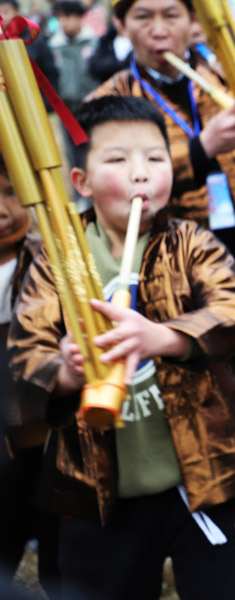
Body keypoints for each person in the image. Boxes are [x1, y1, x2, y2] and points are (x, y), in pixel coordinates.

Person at [8, 95, 235, 600]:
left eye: (155, 159)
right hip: (97, 490)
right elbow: (26, 350)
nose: (140, 174)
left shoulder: (191, 242)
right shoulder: (56, 259)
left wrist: (163, 336)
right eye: (117, 160)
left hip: (208, 477)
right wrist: (66, 370)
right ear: (81, 183)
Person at [90, 0, 235, 591]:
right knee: (207, 405)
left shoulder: (226, 73)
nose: (158, 29)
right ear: (121, 26)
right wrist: (203, 146)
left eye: (171, 14)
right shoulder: (110, 98)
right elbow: (114, 185)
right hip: (172, 278)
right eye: (142, 17)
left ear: (195, 22)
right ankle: (186, 529)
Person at [0, 168, 61, 599]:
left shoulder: (52, 263)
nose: (3, 212)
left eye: (11, 193)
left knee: (64, 559)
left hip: (53, 444)